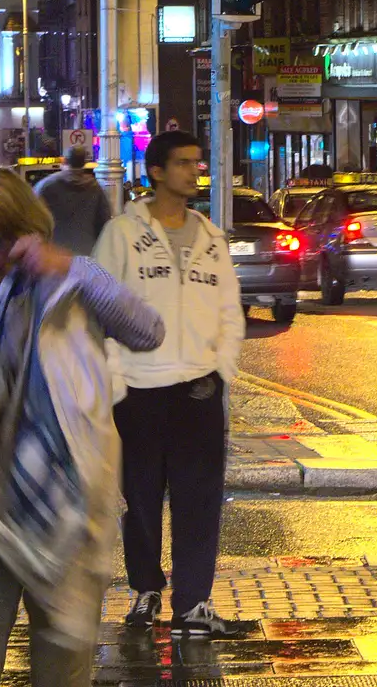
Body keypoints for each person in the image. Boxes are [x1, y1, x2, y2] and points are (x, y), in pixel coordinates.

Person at [0, 170, 164, 687]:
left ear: (24, 232)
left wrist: (69, 268)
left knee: (65, 674)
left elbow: (147, 331)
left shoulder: (72, 285)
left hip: (65, 523)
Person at [92, 130, 247, 640]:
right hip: (137, 389)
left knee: (199, 500)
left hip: (197, 390)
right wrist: (115, 378)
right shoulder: (121, 232)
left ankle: (194, 602)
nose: (193, 172)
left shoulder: (210, 235)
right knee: (139, 499)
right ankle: (145, 591)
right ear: (156, 171)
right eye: (183, 163)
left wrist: (220, 369)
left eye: (197, 163)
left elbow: (230, 310)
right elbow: (100, 306)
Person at [34, 146, 110, 257]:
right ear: (84, 162)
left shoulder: (46, 186)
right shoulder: (95, 188)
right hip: (86, 255)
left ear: (64, 160)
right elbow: (104, 222)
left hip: (54, 256)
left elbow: (33, 218)